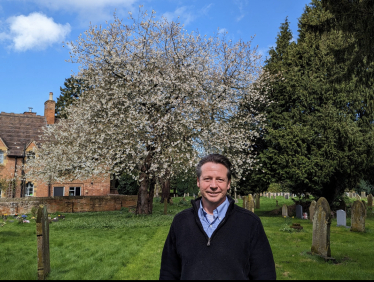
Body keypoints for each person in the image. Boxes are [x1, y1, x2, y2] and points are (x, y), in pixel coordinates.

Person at [159, 154, 276, 280]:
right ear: (198, 182)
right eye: (207, 179)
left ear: (228, 184)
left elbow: (264, 274)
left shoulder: (250, 223)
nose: (213, 185)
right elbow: (168, 272)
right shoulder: (181, 222)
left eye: (220, 179)